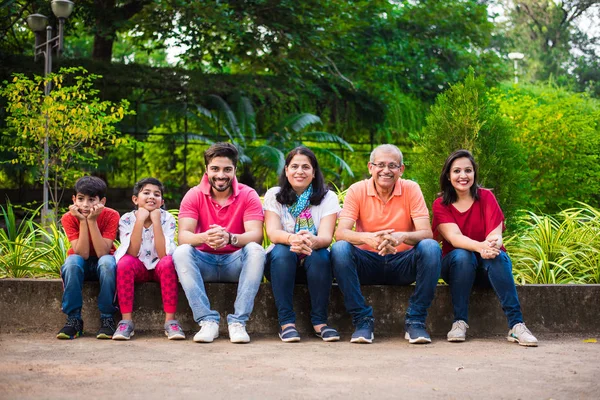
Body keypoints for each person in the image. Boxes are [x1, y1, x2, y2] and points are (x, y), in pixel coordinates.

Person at [331, 144, 441, 344]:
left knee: (431, 247)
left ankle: (415, 321)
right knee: (340, 249)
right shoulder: (357, 190)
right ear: (370, 167)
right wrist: (368, 238)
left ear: (401, 169)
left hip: (402, 263)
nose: (386, 170)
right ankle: (362, 320)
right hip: (368, 263)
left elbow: (426, 233)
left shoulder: (411, 189)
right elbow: (341, 233)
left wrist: (400, 237)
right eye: (380, 164)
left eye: (393, 165)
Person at [432, 149, 538, 346]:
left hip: (488, 267)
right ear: (448, 175)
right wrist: (481, 247)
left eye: (468, 170)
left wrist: (492, 244)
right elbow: (454, 238)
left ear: (474, 174)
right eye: (456, 171)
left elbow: (495, 234)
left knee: (496, 256)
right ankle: (459, 322)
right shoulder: (441, 204)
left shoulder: (487, 197)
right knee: (463, 255)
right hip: (457, 267)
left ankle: (516, 326)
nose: (463, 176)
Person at [173, 142, 266, 344]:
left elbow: (255, 234)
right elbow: (184, 236)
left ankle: (238, 322)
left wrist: (230, 238)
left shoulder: (248, 194)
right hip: (203, 261)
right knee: (181, 252)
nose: (221, 175)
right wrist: (205, 237)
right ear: (206, 169)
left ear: (234, 170)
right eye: (215, 169)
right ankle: (207, 321)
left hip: (235, 262)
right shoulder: (194, 194)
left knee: (256, 250)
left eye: (227, 169)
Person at [263, 146, 341, 342]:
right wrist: (293, 239)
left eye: (306, 167)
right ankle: (286, 324)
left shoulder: (327, 197)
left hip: (313, 260)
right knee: (283, 252)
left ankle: (320, 323)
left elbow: (325, 237)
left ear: (314, 173)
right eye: (294, 166)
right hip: (281, 263)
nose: (300, 171)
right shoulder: (275, 195)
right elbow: (273, 233)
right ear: (286, 170)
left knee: (321, 254)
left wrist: (311, 241)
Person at [112, 178, 185, 340]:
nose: (152, 197)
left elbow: (162, 254)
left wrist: (156, 221)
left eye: (156, 194)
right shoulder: (126, 219)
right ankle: (126, 322)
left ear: (162, 201)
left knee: (168, 262)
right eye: (146, 193)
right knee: (124, 263)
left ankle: (170, 321)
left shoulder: (168, 219)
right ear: (135, 199)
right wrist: (139, 220)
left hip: (160, 267)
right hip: (138, 267)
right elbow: (131, 252)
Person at [57, 176, 119, 340]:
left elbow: (102, 253)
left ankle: (107, 318)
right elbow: (82, 254)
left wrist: (91, 220)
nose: (85, 205)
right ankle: (74, 319)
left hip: (103, 263)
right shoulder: (68, 217)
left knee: (107, 262)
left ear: (102, 201)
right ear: (74, 199)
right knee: (71, 263)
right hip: (80, 264)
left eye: (91, 200)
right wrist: (82, 221)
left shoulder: (111, 216)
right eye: (81, 199)